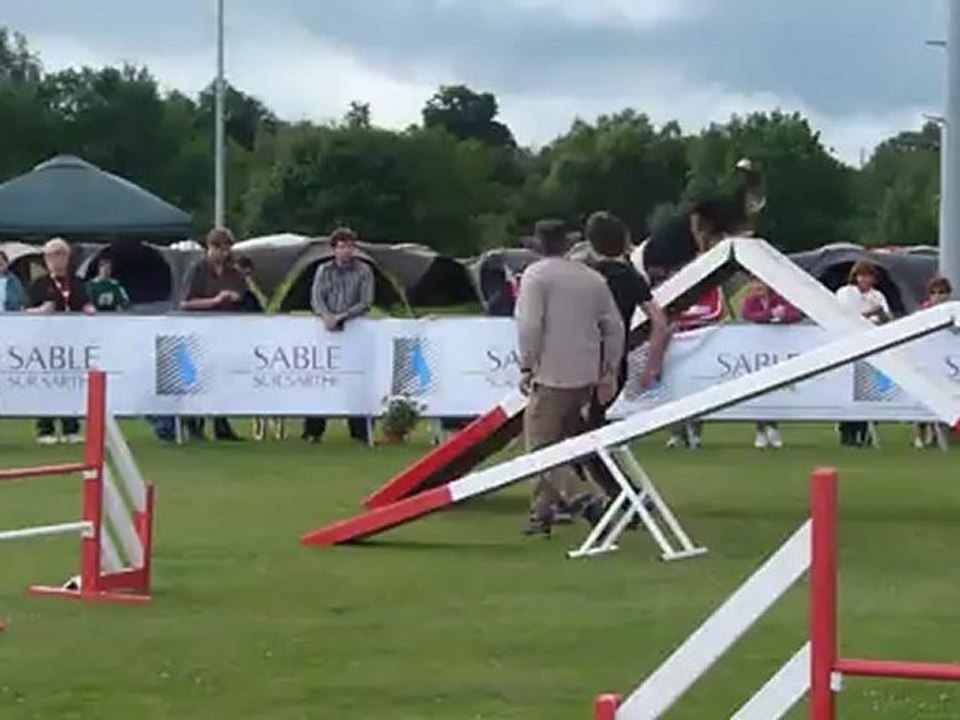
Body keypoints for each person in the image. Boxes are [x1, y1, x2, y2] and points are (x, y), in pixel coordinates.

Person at [515, 218, 625, 537]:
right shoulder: (592, 278)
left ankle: (586, 498)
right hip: (585, 375)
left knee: (540, 450)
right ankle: (541, 514)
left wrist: (527, 364)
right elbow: (615, 327)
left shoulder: (536, 275)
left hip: (552, 374)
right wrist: (608, 369)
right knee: (559, 446)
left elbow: (530, 325)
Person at [302, 227, 375, 444]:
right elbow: (316, 298)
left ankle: (360, 432)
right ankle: (313, 431)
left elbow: (365, 302)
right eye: (341, 247)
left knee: (356, 380)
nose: (345, 251)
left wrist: (341, 316)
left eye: (349, 246)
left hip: (354, 330)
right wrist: (326, 316)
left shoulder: (364, 271)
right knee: (321, 380)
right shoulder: (323, 270)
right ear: (333, 249)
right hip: (326, 333)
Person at [180, 227, 248, 442]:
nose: (224, 254)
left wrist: (234, 297)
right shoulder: (197, 270)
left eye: (227, 249)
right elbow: (185, 302)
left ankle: (221, 423)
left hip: (224, 331)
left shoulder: (233, 272)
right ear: (210, 247)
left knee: (221, 378)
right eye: (220, 249)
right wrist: (214, 301)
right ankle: (194, 423)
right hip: (199, 330)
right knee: (197, 379)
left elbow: (243, 294)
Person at [27, 237, 95, 445]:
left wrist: (88, 309)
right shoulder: (39, 284)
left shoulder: (77, 283)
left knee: (70, 384)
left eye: (61, 254)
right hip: (45, 342)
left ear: (67, 257)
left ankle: (70, 428)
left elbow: (85, 303)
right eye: (52, 255)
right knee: (46, 383)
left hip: (72, 342)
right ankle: (45, 428)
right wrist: (40, 311)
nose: (56, 259)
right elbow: (25, 311)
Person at [740, 276, 803, 449]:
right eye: (755, 282)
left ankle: (773, 428)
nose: (758, 286)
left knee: (775, 388)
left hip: (778, 349)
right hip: (756, 350)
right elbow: (747, 315)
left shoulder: (779, 298)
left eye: (761, 282)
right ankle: (760, 430)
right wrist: (770, 314)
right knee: (757, 389)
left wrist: (783, 316)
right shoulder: (749, 300)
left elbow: (796, 314)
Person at [835, 260, 892, 447]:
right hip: (849, 344)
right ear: (855, 277)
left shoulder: (877, 295)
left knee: (867, 390)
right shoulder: (846, 293)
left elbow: (888, 319)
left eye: (869, 276)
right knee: (848, 390)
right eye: (862, 275)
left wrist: (881, 314)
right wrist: (869, 313)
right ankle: (847, 432)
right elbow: (845, 317)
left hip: (872, 345)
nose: (866, 279)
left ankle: (865, 431)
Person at [635, 196, 737, 287]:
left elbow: (697, 227)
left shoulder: (693, 226)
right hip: (655, 261)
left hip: (664, 255)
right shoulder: (653, 257)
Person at [914, 277, 953, 449]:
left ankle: (939, 436)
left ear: (948, 294)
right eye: (934, 293)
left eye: (941, 292)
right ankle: (920, 435)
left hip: (947, 362)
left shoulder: (953, 310)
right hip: (926, 361)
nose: (938, 296)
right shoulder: (923, 312)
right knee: (923, 399)